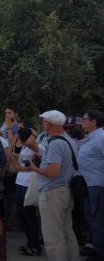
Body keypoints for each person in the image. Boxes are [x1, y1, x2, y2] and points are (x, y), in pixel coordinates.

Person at [29, 110, 79, 260]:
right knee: (67, 232)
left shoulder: (56, 143)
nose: (43, 124)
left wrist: (35, 168)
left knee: (53, 237)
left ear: (48, 124)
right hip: (65, 190)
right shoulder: (68, 140)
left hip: (53, 193)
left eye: (44, 121)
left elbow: (53, 172)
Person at [11, 127, 44, 256]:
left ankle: (34, 244)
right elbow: (20, 162)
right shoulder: (25, 147)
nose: (16, 136)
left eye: (18, 134)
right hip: (20, 181)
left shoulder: (36, 146)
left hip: (28, 183)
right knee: (22, 214)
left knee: (29, 215)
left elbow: (33, 165)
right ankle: (29, 241)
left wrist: (34, 133)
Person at [78, 110, 104, 261]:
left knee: (97, 218)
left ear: (94, 122)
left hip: (98, 183)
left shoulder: (101, 137)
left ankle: (100, 252)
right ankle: (96, 246)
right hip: (88, 183)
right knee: (90, 217)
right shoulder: (91, 137)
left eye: (84, 119)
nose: (82, 121)